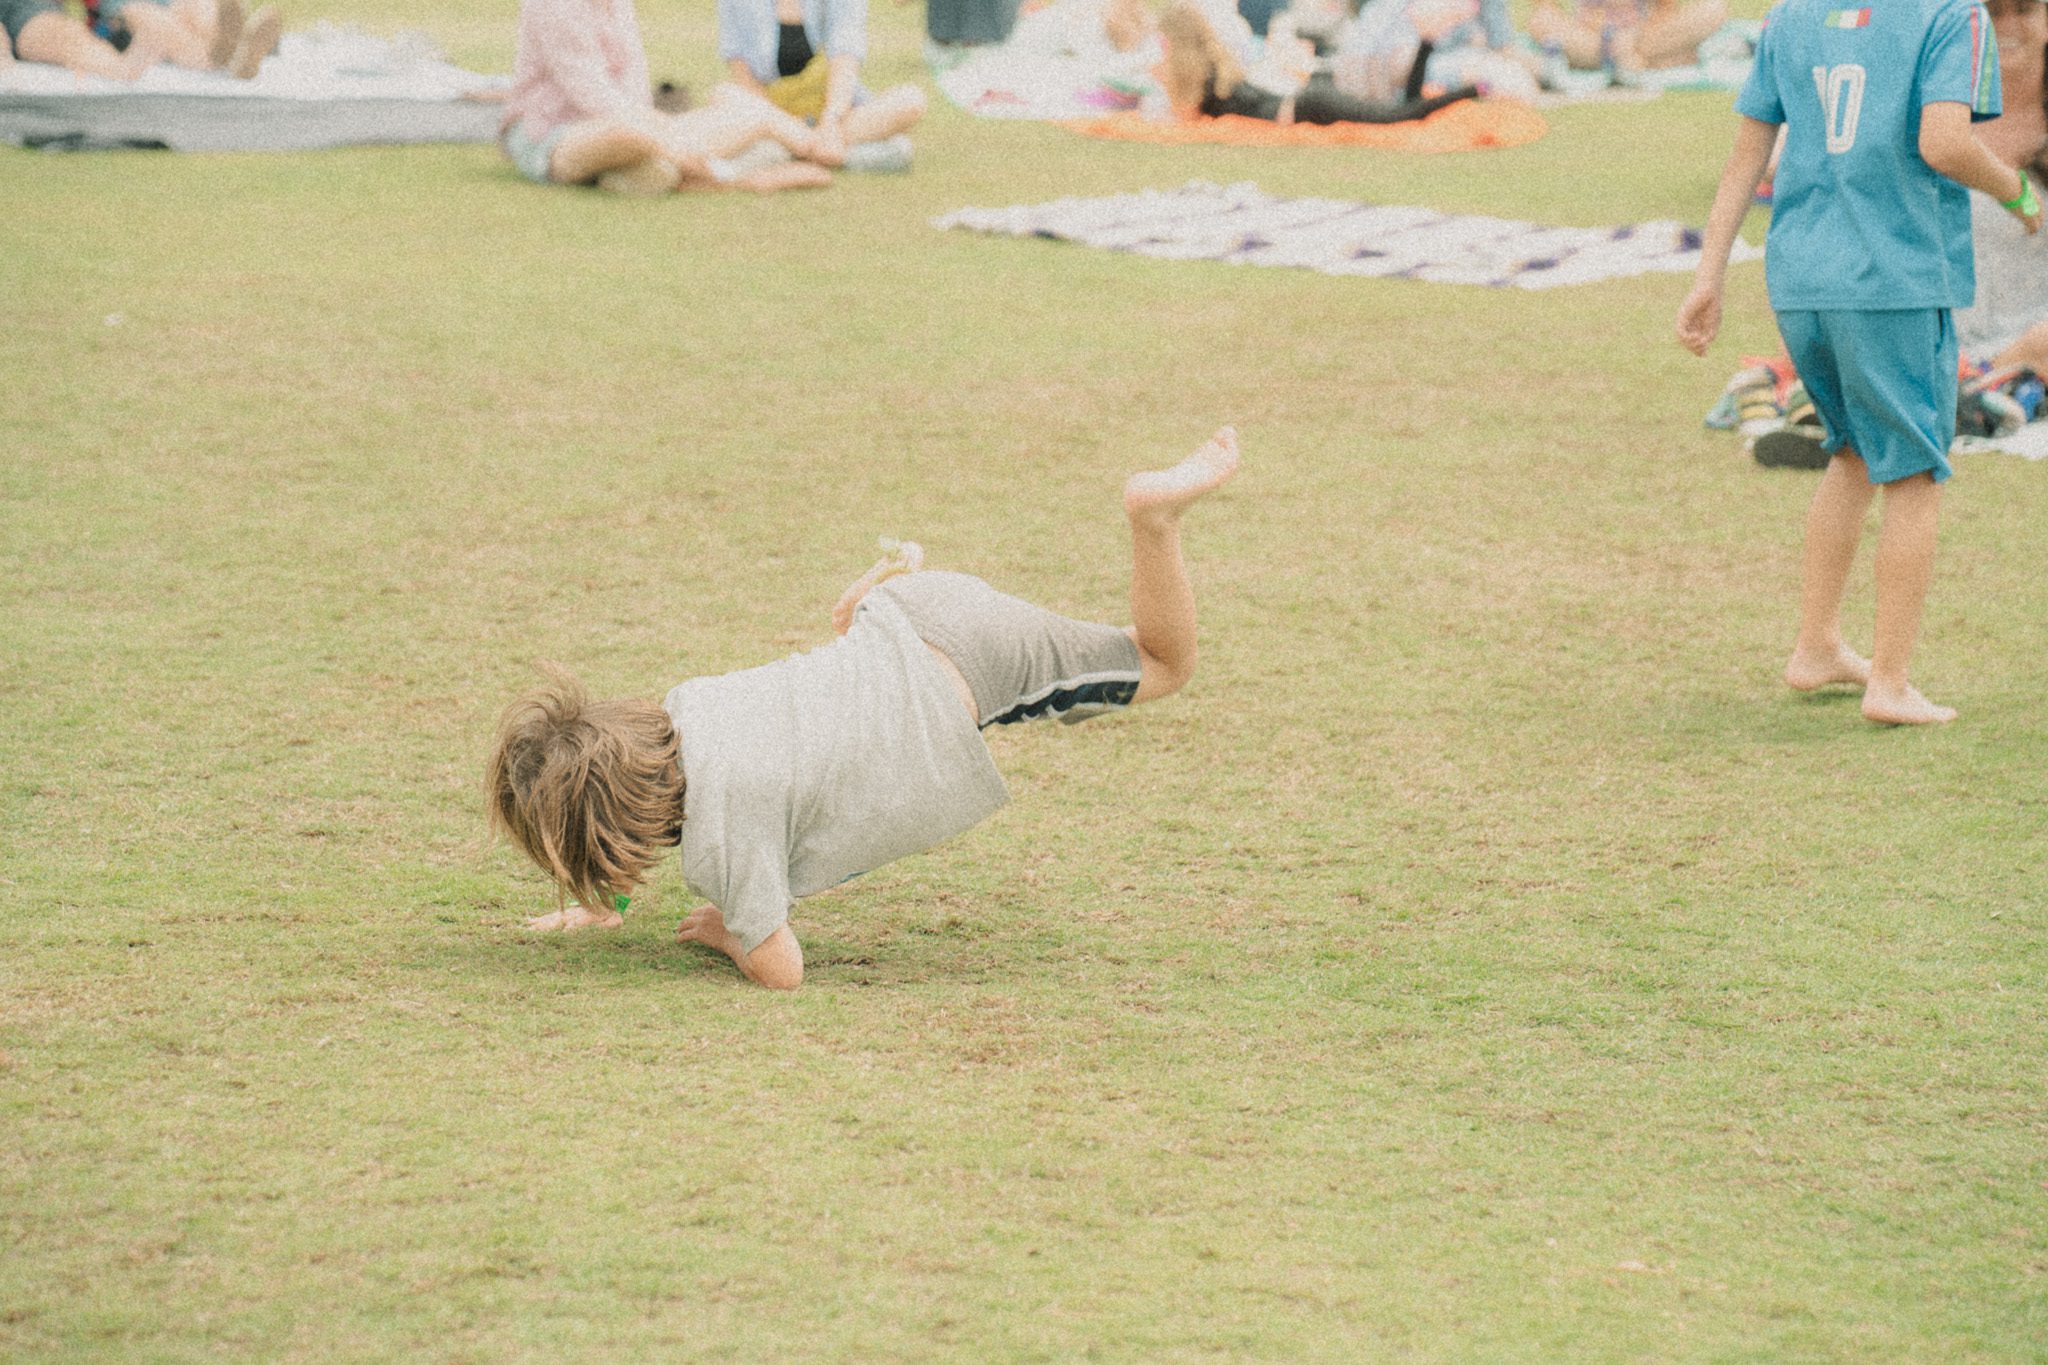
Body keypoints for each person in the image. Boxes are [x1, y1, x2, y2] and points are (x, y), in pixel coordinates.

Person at [488, 428, 1241, 990]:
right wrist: (607, 900)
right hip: (909, 612)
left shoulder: (726, 841)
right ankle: (867, 601)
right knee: (839, 686)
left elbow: (781, 969)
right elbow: (625, 788)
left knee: (1159, 664)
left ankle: (1154, 518)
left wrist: (733, 931)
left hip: (969, 671)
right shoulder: (683, 709)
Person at [1677, 0, 2040, 725]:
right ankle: (1892, 682)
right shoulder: (1949, 15)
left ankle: (1818, 646)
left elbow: (1747, 155)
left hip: (1802, 279)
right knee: (1914, 475)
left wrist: (1708, 275)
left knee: (1848, 456)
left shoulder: (1792, 16)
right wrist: (2017, 190)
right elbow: (1945, 144)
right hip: (1892, 282)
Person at [505, 0, 837, 195]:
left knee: (745, 109)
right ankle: (738, 177)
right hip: (555, 136)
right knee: (629, 135)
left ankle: (657, 171)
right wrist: (667, 137)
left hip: (644, 130)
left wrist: (662, 131)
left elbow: (635, 79)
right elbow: (590, 92)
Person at [1156, 0, 1477, 124]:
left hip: (1310, 102)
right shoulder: (1217, 72)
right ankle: (1427, 42)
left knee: (1401, 115)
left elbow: (1179, 116)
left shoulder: (1203, 83)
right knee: (1402, 108)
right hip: (1311, 94)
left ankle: (1470, 91)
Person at [717, 0, 926, 168]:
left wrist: (831, 121)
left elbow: (846, 54)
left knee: (910, 100)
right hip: (771, 115)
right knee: (723, 94)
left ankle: (791, 152)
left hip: (836, 112)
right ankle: (838, 154)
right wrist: (782, 125)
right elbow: (740, 67)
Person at [1528, 0, 1729, 80]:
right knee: (1541, 20)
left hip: (1643, 38)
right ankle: (1657, 62)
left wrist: (1633, 36)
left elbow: (1666, 11)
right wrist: (1609, 37)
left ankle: (1632, 62)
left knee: (1713, 9)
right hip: (1591, 41)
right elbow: (1545, 7)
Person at [89, 0, 281, 79]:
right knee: (161, 24)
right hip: (115, 15)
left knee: (200, 6)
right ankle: (226, 59)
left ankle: (237, 44)